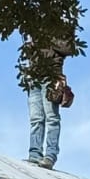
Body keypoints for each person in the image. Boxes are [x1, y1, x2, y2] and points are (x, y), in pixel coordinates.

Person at [21, 36, 75, 169]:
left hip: (52, 77)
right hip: (34, 77)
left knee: (52, 118)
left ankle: (50, 155)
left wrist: (47, 39)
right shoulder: (34, 30)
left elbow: (69, 48)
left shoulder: (61, 28)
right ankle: (35, 154)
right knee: (36, 119)